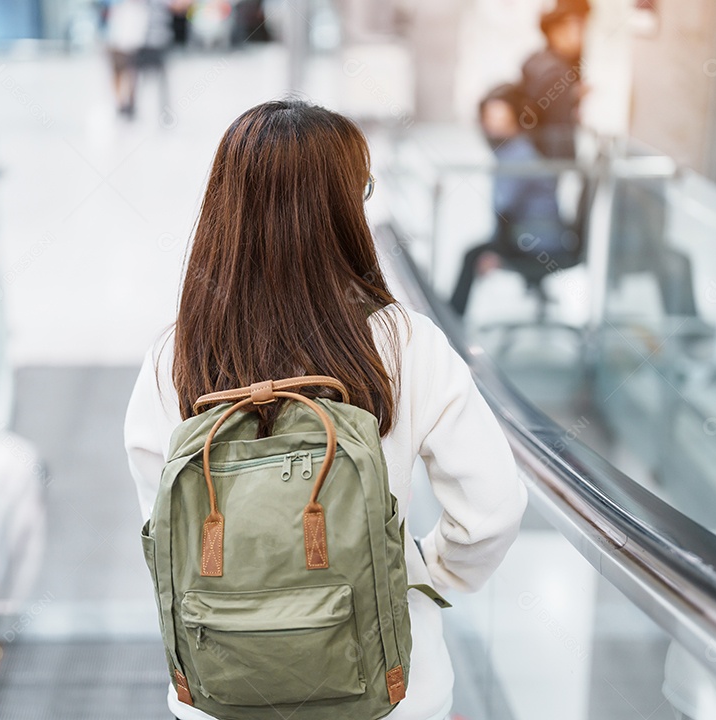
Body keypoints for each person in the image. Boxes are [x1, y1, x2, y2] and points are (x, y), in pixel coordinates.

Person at [125, 99, 527, 720]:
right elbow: (492, 509)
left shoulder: (176, 353)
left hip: (221, 690)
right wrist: (420, 575)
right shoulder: (403, 341)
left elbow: (160, 517)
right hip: (390, 692)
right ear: (345, 207)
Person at [450, 84, 578, 317]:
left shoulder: (518, 155)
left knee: (472, 255)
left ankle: (452, 319)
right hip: (533, 236)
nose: (492, 124)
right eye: (489, 117)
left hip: (538, 244)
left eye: (500, 117)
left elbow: (503, 207)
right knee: (475, 251)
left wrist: (495, 252)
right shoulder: (513, 150)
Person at [520, 6, 588, 158]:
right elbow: (558, 127)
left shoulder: (536, 59)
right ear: (556, 32)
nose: (582, 36)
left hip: (533, 150)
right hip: (548, 158)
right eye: (578, 29)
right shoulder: (558, 73)